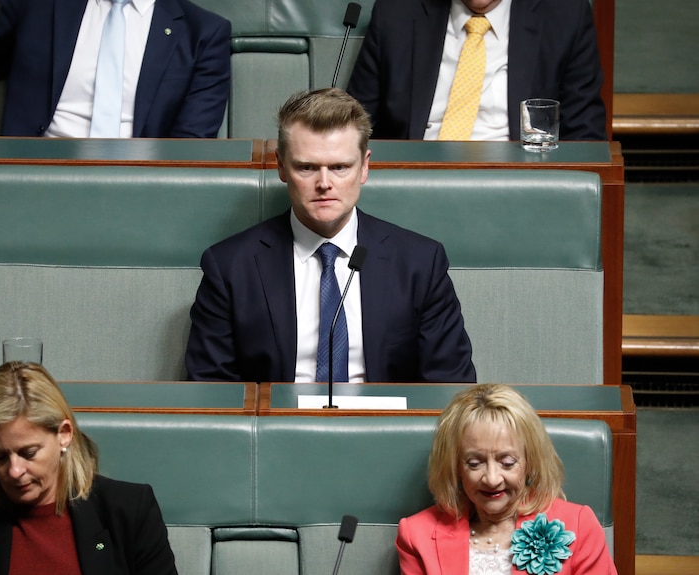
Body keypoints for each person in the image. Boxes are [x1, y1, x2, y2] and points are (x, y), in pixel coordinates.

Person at [185, 87, 475, 383]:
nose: (324, 183)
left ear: (364, 167)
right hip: (279, 425)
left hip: (383, 426)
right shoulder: (230, 265)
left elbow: (450, 384)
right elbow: (210, 387)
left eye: (339, 167)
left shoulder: (420, 263)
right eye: (307, 167)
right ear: (281, 167)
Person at [0, 362, 178, 575]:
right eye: (0, 457)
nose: (14, 471)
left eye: (28, 453)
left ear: (64, 434)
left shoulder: (129, 511)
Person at [0, 0, 231, 139]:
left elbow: (190, 151)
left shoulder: (202, 34)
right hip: (28, 182)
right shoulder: (35, 4)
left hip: (139, 195)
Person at [396, 384, 617, 574]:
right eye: (474, 463)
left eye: (508, 462)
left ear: (530, 461)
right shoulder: (416, 535)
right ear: (454, 467)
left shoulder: (579, 525)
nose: (492, 479)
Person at [346, 0, 608, 141]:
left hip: (520, 178)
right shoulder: (397, 12)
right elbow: (355, 123)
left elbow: (585, 134)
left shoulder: (564, 14)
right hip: (416, 174)